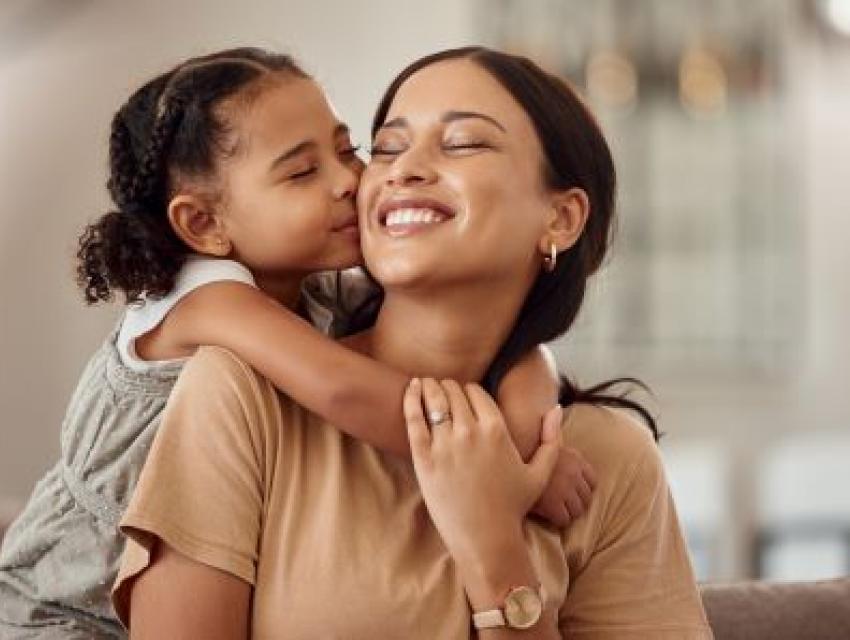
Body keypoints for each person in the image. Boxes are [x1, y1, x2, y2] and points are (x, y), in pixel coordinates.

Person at [112, 46, 712, 638]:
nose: (400, 170)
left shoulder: (607, 459)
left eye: (464, 143)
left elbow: (524, 356)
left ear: (560, 218)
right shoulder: (240, 392)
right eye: (389, 146)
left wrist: (493, 551)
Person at [0, 48, 594, 639]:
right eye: (302, 172)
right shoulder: (209, 301)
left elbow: (493, 332)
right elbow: (346, 389)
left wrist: (529, 386)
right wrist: (510, 463)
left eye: (347, 150)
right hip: (59, 614)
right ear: (205, 224)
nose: (349, 182)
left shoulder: (316, 288)